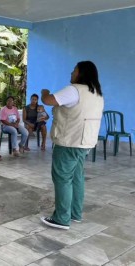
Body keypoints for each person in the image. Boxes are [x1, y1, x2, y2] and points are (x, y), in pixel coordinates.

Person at [40, 61, 104, 230]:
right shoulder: (97, 93)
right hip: (85, 142)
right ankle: (75, 214)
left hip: (69, 142)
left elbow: (48, 100)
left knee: (62, 178)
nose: (71, 73)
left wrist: (44, 91)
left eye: (74, 70)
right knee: (77, 178)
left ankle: (61, 218)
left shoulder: (74, 90)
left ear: (81, 73)